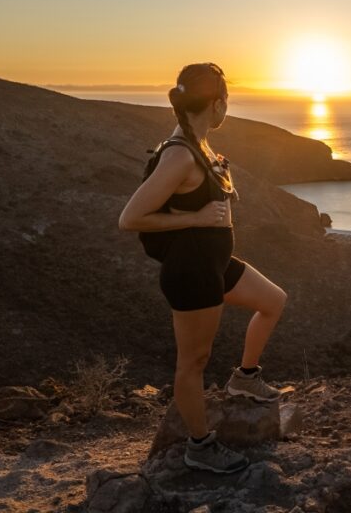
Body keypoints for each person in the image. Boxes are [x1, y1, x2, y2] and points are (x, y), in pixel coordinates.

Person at [118, 63, 288, 474]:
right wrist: (194, 220)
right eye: (225, 100)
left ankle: (245, 378)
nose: (227, 107)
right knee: (193, 362)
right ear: (214, 104)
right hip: (191, 272)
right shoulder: (179, 155)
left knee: (273, 301)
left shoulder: (200, 145)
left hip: (213, 263)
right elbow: (130, 218)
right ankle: (199, 446)